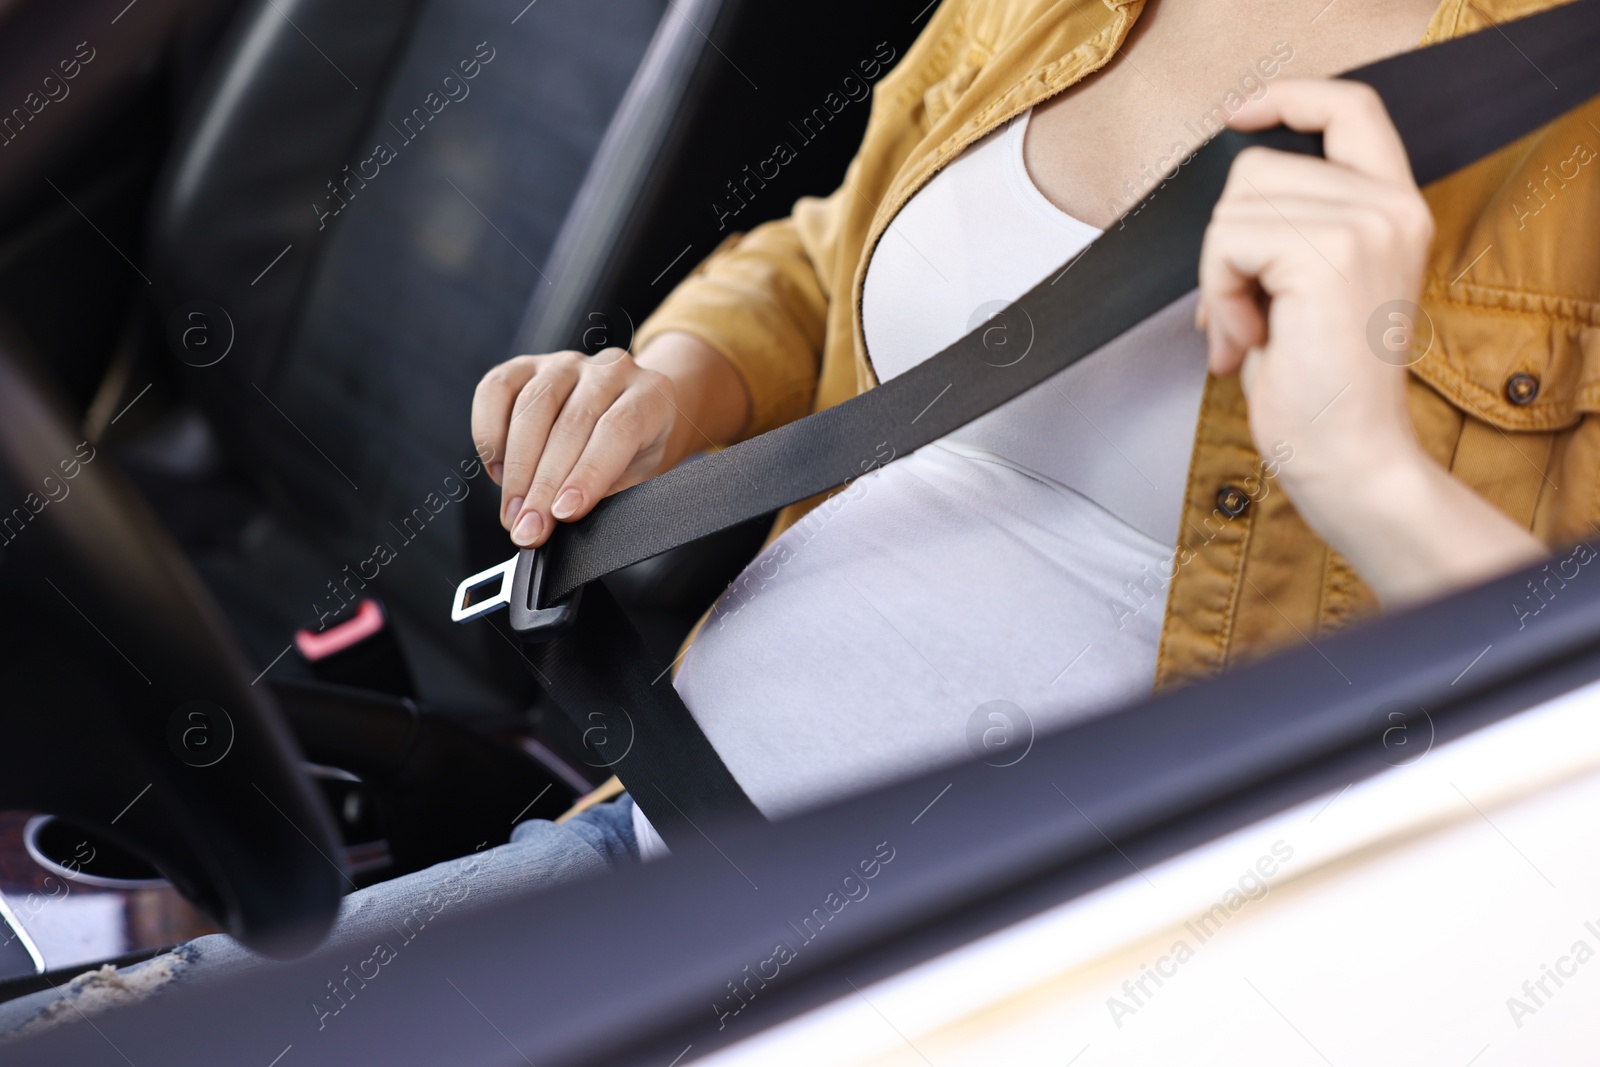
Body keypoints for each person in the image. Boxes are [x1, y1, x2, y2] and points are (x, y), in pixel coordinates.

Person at [5, 0, 1585, 1032]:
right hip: (656, 848)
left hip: (997, 993)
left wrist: (1365, 473)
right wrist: (681, 379)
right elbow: (835, 252)